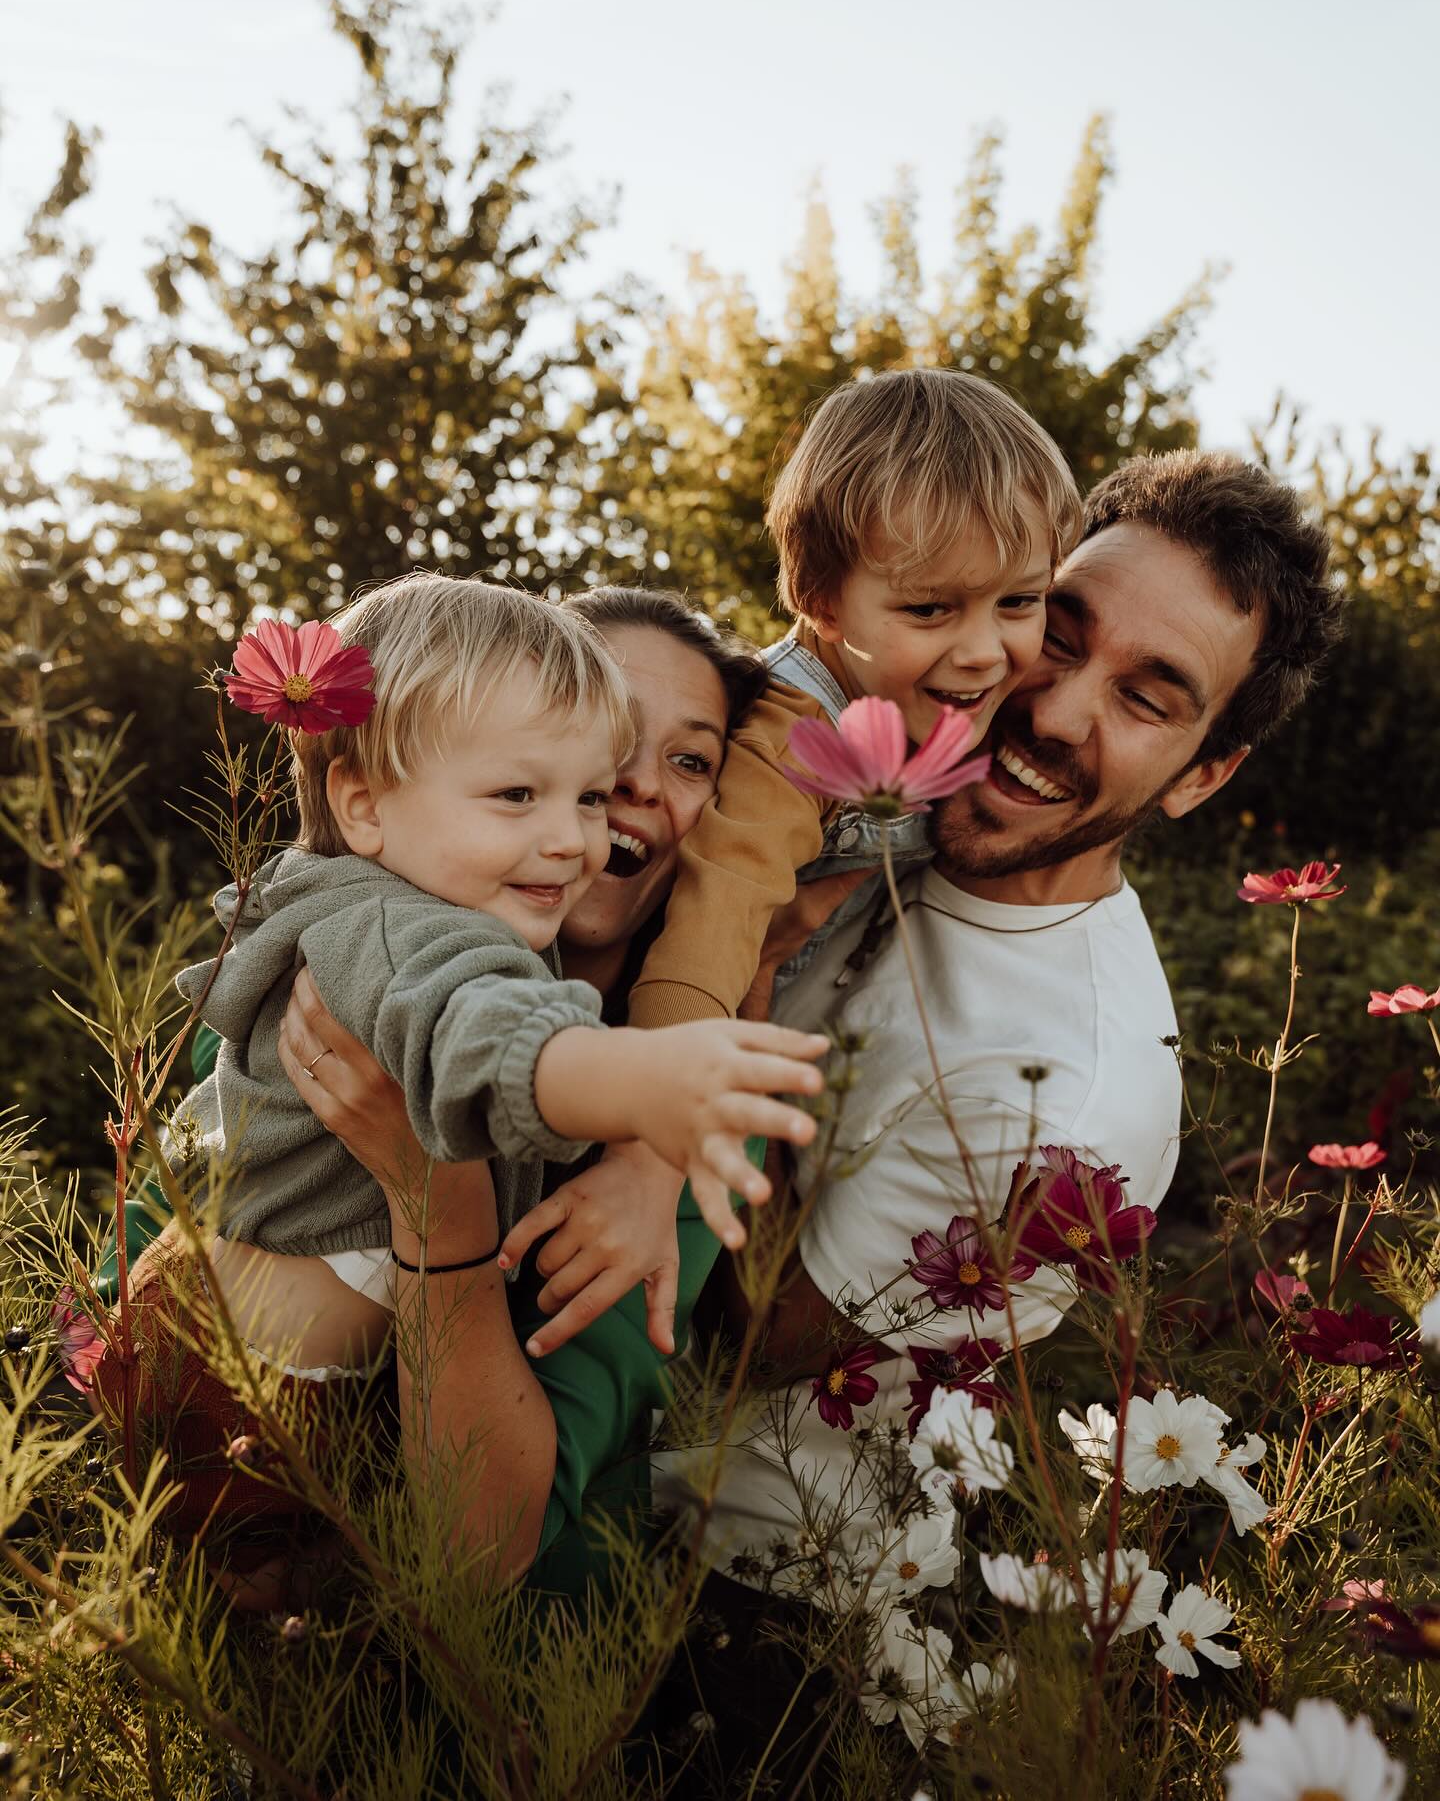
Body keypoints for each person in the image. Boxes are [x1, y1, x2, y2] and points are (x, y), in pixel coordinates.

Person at [641, 448, 1345, 1791]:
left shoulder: (1070, 1094)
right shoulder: (867, 799)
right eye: (1054, 631)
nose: (1054, 706)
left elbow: (742, 1338)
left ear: (1202, 775)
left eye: (1148, 698)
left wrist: (729, 979)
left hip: (734, 1630)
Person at [94, 574, 827, 1567]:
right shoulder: (398, 933)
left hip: (335, 1433)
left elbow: (488, 1545)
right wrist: (650, 1077)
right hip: (216, 1384)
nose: (577, 832)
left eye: (592, 789)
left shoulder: (465, 928)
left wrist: (731, 986)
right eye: (520, 792)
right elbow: (487, 1033)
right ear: (363, 801)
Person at [624, 369, 1082, 1034]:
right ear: (822, 601)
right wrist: (664, 1088)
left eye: (1019, 600)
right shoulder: (795, 736)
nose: (984, 650)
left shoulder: (939, 705)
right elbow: (717, 918)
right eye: (930, 608)